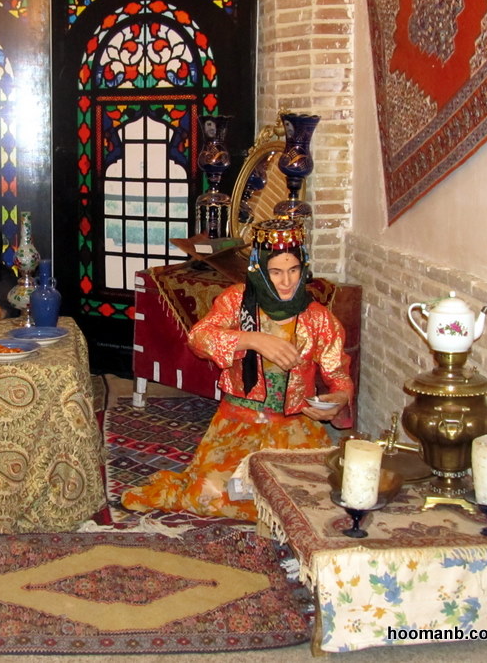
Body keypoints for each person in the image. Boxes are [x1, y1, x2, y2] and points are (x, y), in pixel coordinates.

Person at [121, 217, 354, 521]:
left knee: (312, 499)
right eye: (276, 272)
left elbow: (338, 376)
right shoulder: (237, 300)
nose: (286, 282)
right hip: (238, 422)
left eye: (294, 270)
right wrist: (252, 339)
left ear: (303, 268)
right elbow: (199, 338)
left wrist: (338, 400)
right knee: (208, 498)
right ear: (259, 270)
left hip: (293, 427)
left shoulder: (318, 318)